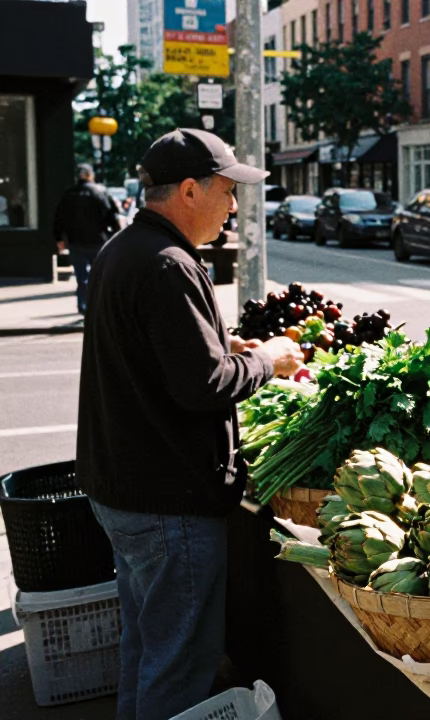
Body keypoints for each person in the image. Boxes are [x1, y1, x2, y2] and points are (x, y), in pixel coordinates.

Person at [76, 129, 305, 719]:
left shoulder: (123, 250)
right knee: (177, 668)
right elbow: (203, 387)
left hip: (122, 490)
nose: (234, 207)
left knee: (146, 650)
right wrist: (267, 360)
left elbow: (148, 349)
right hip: (167, 503)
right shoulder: (169, 265)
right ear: (186, 191)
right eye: (228, 192)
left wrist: (218, 343)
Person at [53, 164, 121, 315]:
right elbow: (113, 216)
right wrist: (118, 236)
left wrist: (59, 238)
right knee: (100, 276)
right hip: (99, 241)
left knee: (81, 277)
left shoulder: (69, 194)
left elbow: (59, 218)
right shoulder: (100, 192)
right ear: (90, 176)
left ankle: (83, 307)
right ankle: (99, 307)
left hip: (76, 241)